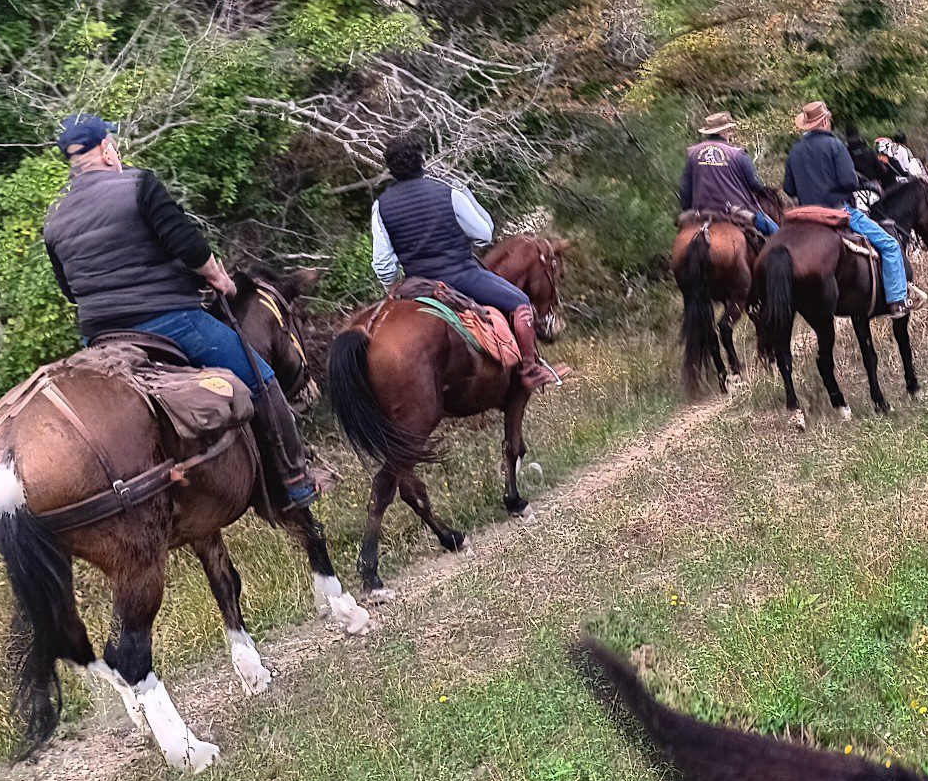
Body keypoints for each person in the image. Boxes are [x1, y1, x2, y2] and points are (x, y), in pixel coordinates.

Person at [41, 113, 319, 511]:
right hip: (169, 321)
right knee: (263, 378)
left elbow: (69, 290)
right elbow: (189, 246)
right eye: (113, 145)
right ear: (106, 150)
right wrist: (220, 279)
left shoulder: (54, 221)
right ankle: (295, 481)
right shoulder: (138, 185)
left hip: (100, 339)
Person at [369, 134, 565, 388]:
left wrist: (392, 288)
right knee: (520, 301)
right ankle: (530, 369)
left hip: (418, 285)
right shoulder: (448, 191)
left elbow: (383, 265)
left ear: (390, 168)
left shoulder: (380, 206)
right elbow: (484, 234)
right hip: (462, 277)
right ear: (422, 160)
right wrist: (465, 195)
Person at [783, 100, 920, 316]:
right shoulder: (836, 146)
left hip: (805, 216)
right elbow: (850, 183)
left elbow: (789, 188)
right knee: (891, 245)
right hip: (839, 210)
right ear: (825, 120)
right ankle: (897, 301)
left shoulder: (795, 151)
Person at [679, 111, 778, 236]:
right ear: (723, 132)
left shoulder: (693, 153)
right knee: (776, 233)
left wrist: (688, 209)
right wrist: (763, 189)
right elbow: (753, 184)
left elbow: (684, 188)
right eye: (729, 130)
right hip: (734, 209)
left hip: (701, 210)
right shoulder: (737, 154)